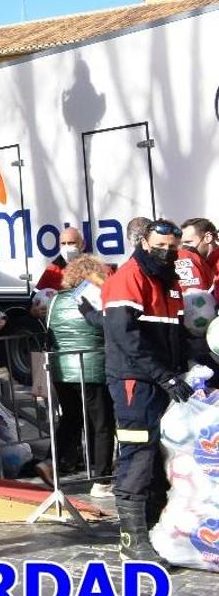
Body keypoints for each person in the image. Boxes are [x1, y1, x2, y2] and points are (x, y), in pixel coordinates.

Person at [101, 218, 195, 565]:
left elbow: (177, 334)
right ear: (143, 243)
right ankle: (131, 541)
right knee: (138, 453)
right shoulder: (130, 277)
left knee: (159, 455)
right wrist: (164, 376)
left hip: (161, 379)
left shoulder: (169, 281)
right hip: (134, 381)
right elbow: (126, 337)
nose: (166, 253)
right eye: (159, 247)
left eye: (172, 248)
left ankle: (156, 529)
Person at [36, 254, 115, 499]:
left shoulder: (56, 300)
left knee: (71, 418)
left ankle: (50, 461)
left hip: (62, 369)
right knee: (102, 423)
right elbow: (105, 328)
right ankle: (102, 480)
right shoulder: (95, 295)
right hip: (92, 367)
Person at [34, 226, 84, 292]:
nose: (66, 247)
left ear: (83, 245)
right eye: (63, 243)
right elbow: (37, 294)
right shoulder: (52, 270)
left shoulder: (92, 267)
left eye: (71, 243)